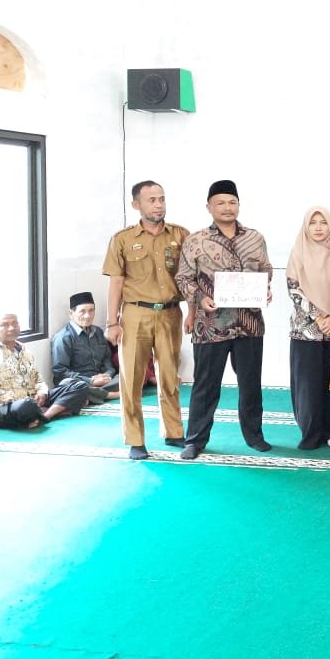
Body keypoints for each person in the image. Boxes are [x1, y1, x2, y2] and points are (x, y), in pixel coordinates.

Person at [175, 179, 273, 460]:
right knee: (206, 385)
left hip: (249, 324)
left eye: (232, 202)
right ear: (209, 207)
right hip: (210, 326)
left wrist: (264, 290)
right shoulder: (196, 240)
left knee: (251, 384)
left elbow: (265, 270)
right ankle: (195, 440)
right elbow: (183, 277)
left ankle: (255, 437)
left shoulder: (255, 238)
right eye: (220, 202)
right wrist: (198, 299)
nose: (227, 207)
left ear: (239, 205)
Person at [104, 179, 191, 460]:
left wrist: (193, 312)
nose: (158, 204)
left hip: (170, 313)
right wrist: (111, 323)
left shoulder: (180, 235)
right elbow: (116, 283)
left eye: (162, 199)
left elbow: (190, 278)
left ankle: (174, 431)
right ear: (136, 205)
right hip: (134, 314)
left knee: (169, 375)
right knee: (131, 379)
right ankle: (135, 439)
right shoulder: (123, 239)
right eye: (152, 200)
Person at [286, 206, 330, 450]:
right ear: (306, 226)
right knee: (307, 384)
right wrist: (318, 316)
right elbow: (293, 288)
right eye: (313, 223)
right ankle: (310, 432)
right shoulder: (297, 252)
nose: (319, 227)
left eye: (323, 222)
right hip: (305, 329)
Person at [0, 313, 88, 428]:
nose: (11, 328)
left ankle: (45, 416)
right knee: (25, 407)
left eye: (15, 324)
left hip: (33, 400)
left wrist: (42, 393)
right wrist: (26, 399)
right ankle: (52, 411)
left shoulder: (24, 350)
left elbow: (37, 378)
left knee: (79, 385)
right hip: (3, 408)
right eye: (4, 325)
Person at [50, 291, 119, 407]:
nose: (88, 316)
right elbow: (60, 372)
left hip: (103, 381)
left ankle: (94, 396)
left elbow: (107, 360)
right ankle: (110, 395)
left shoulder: (98, 332)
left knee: (129, 378)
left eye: (91, 310)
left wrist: (107, 375)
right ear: (71, 313)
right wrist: (90, 381)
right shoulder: (63, 338)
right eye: (82, 311)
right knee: (70, 385)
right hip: (81, 382)